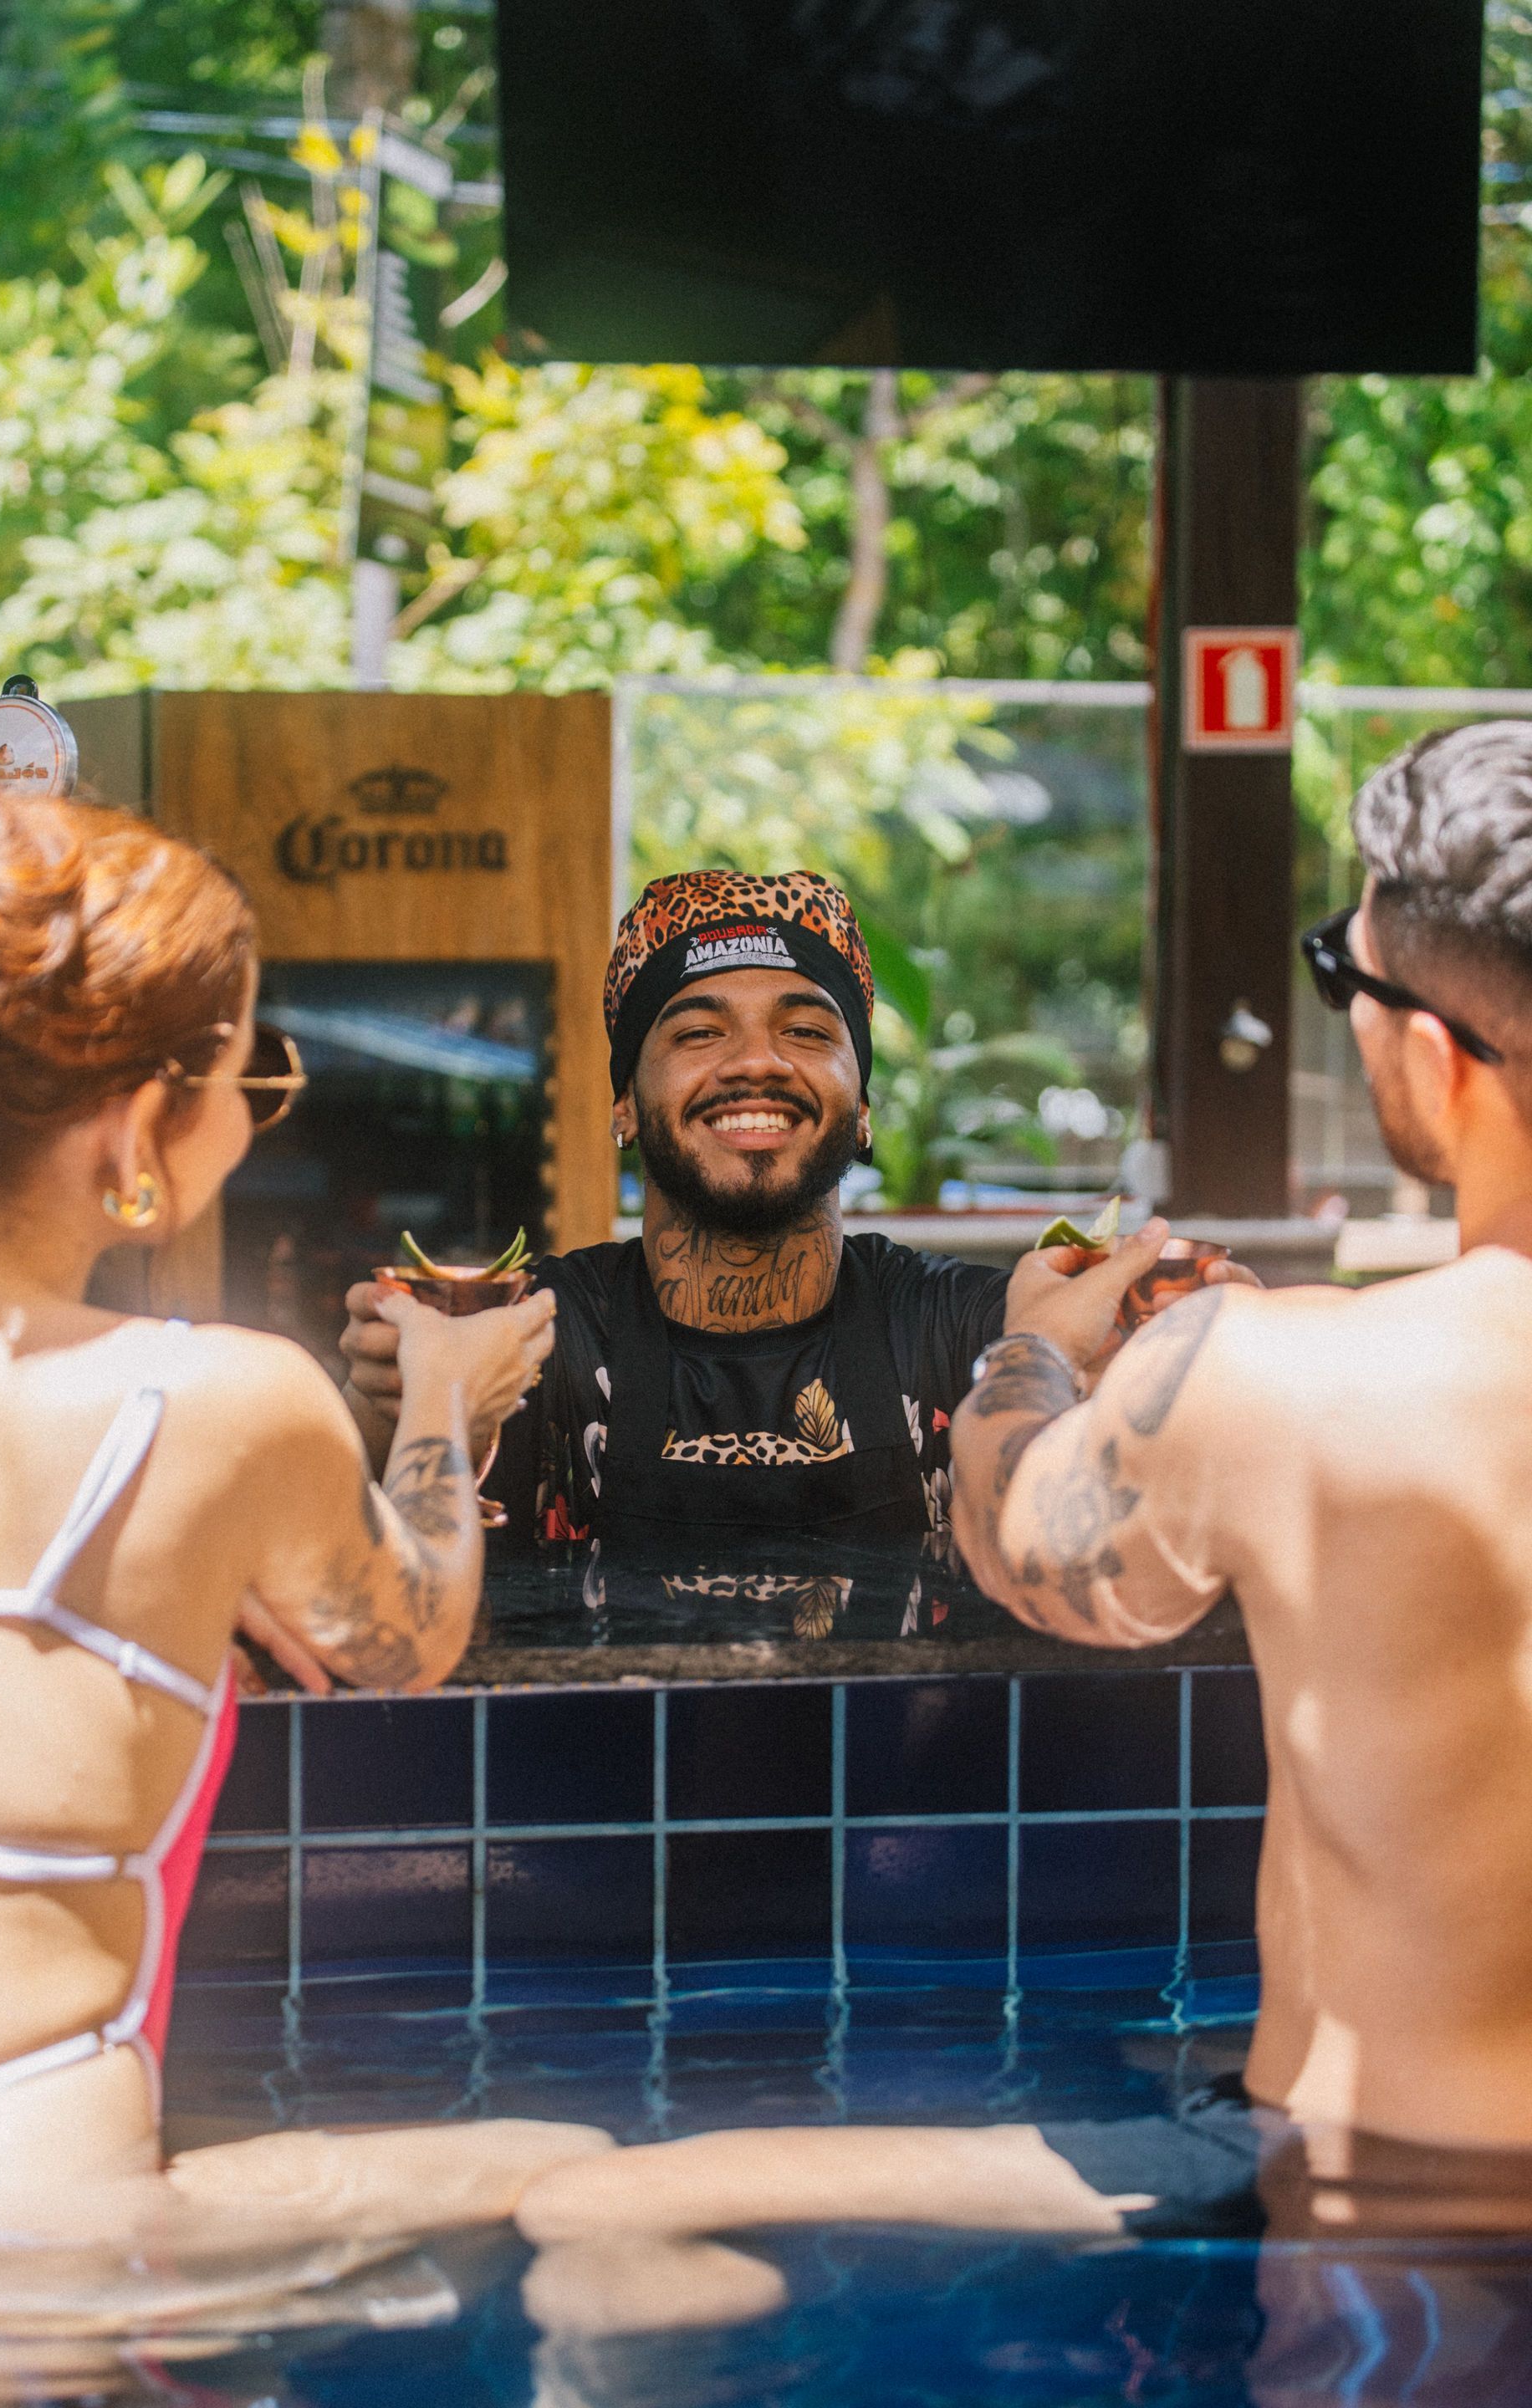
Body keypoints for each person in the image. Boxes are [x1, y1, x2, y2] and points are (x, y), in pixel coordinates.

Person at [508, 720, 1532, 2250]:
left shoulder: (1294, 1379)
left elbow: (1021, 1540)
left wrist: (1031, 1363)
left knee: (609, 2212)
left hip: (1390, 2207)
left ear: (1433, 1054)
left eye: (1343, 976)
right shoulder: (554, 1316)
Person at [0, 779, 606, 2234]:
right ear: (139, 1124)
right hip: (23, 2228)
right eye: (248, 1077)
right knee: (590, 2180)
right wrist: (440, 1394)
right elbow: (404, 1638)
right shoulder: (216, 1406)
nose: (254, 1113)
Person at [341, 870, 1251, 1552]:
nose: (755, 1062)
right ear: (623, 1104)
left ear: (863, 1110)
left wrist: (1187, 1360)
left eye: (807, 1031)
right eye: (698, 1032)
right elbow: (371, 1580)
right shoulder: (529, 1337)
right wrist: (396, 1410)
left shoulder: (975, 1331)